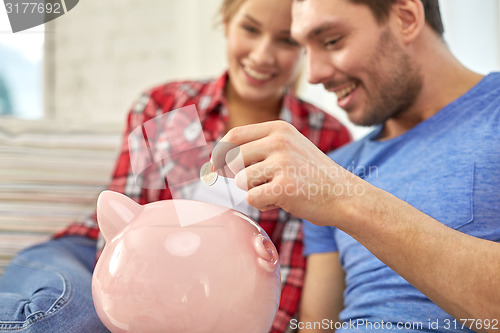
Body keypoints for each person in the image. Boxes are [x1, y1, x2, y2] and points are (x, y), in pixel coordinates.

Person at [0, 0, 350, 332]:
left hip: (209, 293)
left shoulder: (323, 136)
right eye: (250, 29)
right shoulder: (166, 105)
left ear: (305, 45)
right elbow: (126, 237)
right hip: (94, 257)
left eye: (286, 40)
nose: (262, 55)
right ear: (227, 24)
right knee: (66, 322)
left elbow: (293, 261)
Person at [210, 0, 500, 332]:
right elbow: (318, 326)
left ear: (406, 18)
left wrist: (344, 197)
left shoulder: (331, 182)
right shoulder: (335, 165)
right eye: (304, 48)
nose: (315, 74)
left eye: (332, 41)